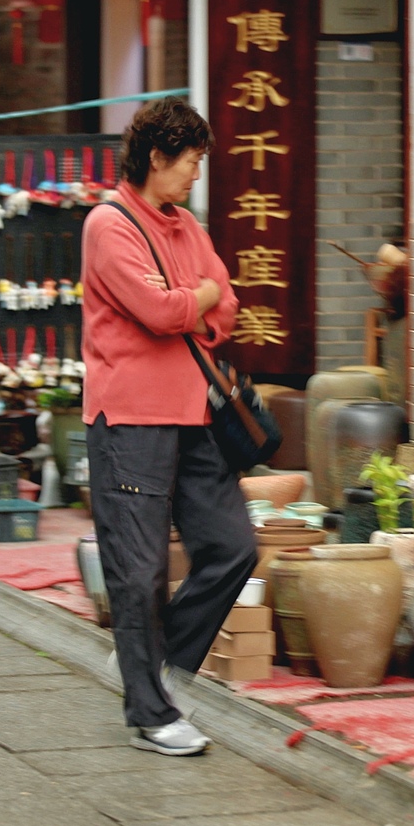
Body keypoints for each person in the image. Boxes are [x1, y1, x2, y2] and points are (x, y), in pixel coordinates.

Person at [80, 96, 256, 756]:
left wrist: (199, 303)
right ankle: (150, 714)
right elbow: (158, 310)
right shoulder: (109, 224)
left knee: (233, 546)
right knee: (140, 569)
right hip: (129, 420)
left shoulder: (186, 224)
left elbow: (224, 302)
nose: (195, 176)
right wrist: (196, 300)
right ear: (156, 157)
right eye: (190, 162)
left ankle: (149, 662)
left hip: (194, 412)